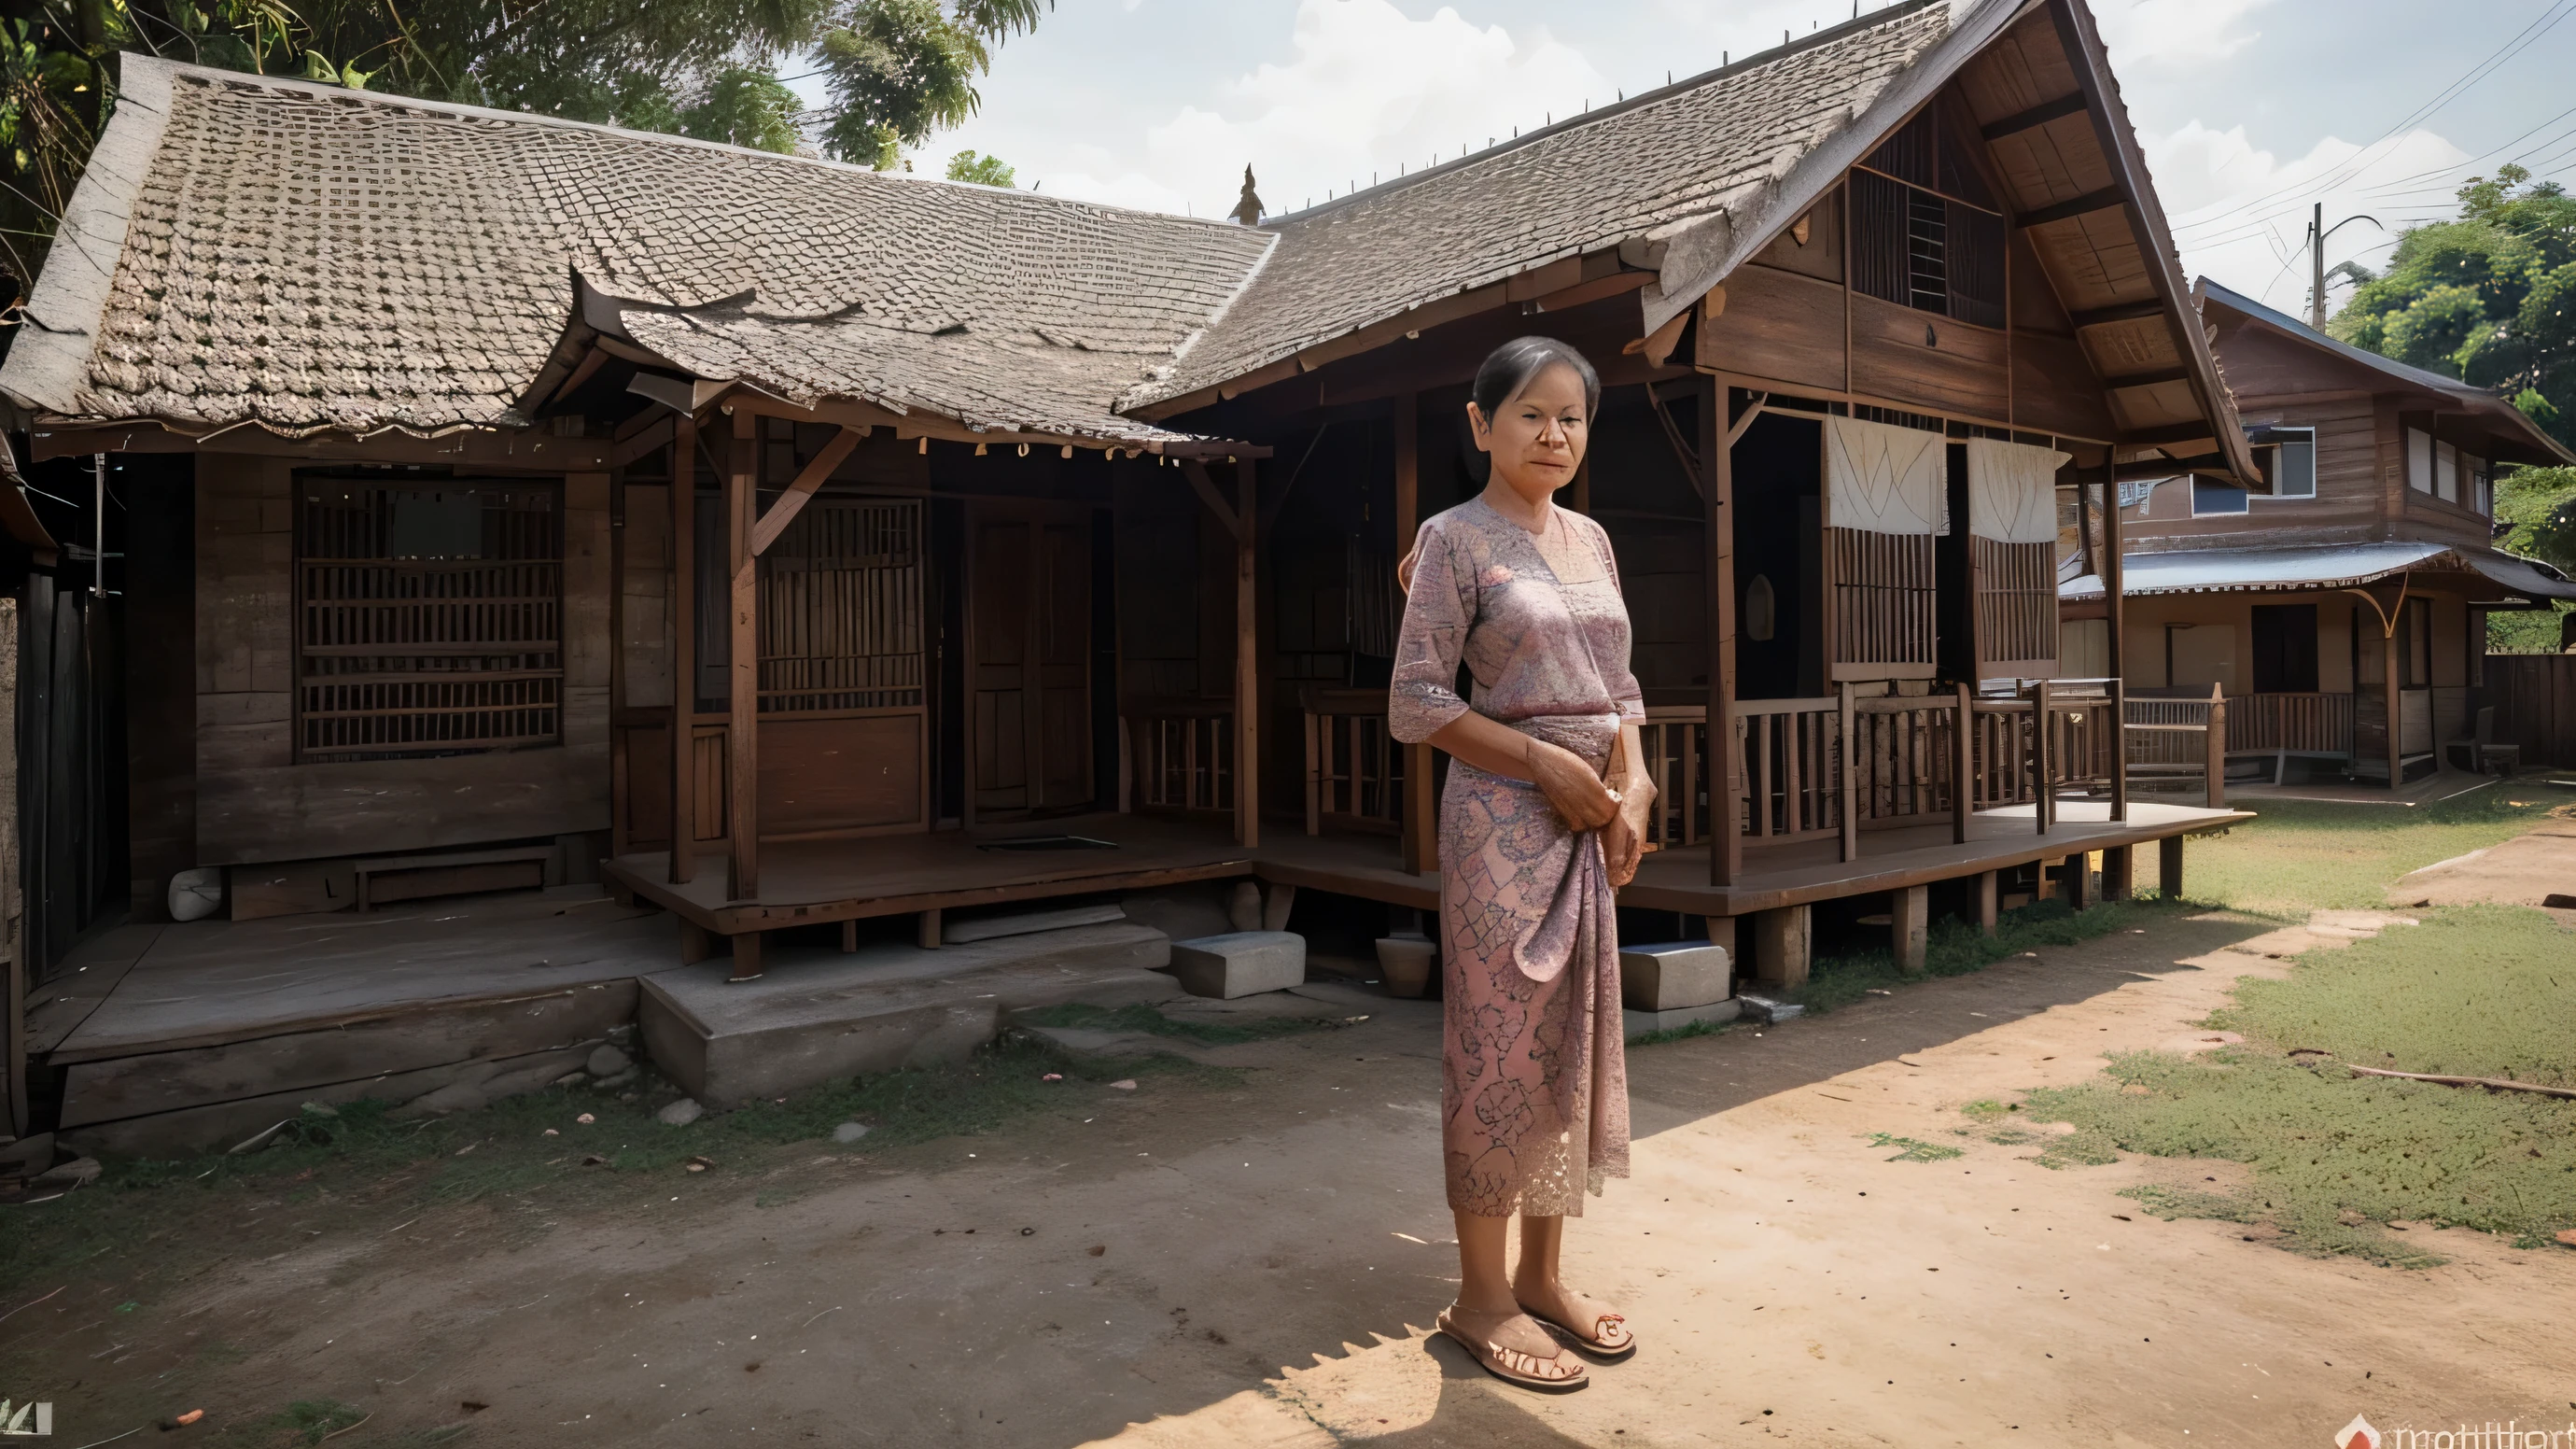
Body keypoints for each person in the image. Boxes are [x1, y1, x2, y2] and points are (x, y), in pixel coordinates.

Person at [1388, 336, 1655, 1392]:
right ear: (1480, 425)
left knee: (1570, 1048)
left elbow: (1621, 684)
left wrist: (1633, 784)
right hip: (1502, 826)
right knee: (1499, 1051)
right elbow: (1417, 701)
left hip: (1592, 826)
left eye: (1573, 418)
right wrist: (1543, 760)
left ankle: (1545, 1276)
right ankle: (1481, 1295)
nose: (1554, 435)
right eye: (1531, 415)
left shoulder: (1591, 538)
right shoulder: (1453, 541)